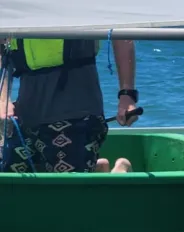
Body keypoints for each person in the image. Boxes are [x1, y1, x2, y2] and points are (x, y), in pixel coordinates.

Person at [0, 38, 138, 173]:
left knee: (67, 190)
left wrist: (127, 94)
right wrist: (3, 99)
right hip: (25, 109)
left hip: (75, 108)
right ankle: (97, 169)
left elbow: (121, 35)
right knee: (11, 181)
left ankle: (120, 172)